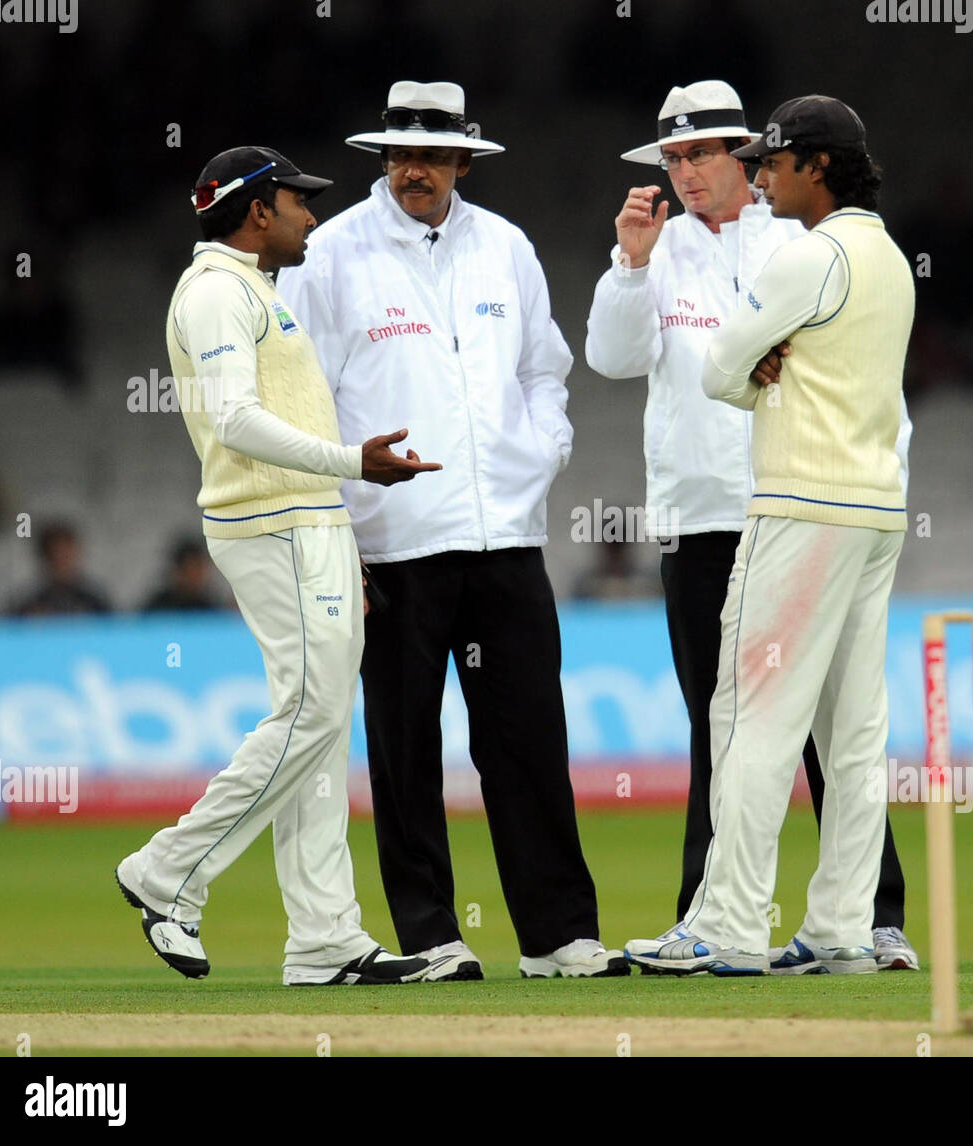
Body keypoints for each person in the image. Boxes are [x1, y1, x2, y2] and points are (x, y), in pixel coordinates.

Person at [279, 82, 625, 981]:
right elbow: (301, 399)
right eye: (398, 154)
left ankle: (558, 936)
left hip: (506, 539)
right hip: (391, 544)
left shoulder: (506, 247)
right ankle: (431, 933)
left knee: (528, 743)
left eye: (430, 155)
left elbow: (548, 369)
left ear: (464, 161)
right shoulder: (330, 255)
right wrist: (332, 531)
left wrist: (542, 449)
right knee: (404, 752)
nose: (413, 170)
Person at [586, 81, 917, 970]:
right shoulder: (873, 250)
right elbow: (612, 359)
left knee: (750, 720)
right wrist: (631, 266)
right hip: (777, 512)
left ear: (765, 160)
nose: (686, 171)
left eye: (709, 154)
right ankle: (842, 926)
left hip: (788, 504)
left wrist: (748, 368)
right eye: (672, 157)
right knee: (831, 725)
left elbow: (723, 368)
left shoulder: (798, 247)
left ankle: (731, 925)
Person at [116, 146, 441, 986]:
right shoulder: (219, 292)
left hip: (304, 524)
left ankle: (326, 940)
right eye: (300, 201)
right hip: (271, 523)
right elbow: (233, 421)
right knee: (309, 716)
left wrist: (337, 524)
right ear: (257, 210)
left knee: (320, 728)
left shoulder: (254, 289)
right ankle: (166, 875)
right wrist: (348, 465)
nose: (312, 216)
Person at [9, 521, 110, 616]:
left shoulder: (94, 602)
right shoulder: (29, 603)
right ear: (45, 557)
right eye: (56, 554)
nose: (62, 561)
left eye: (67, 555)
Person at [142, 536, 225, 612]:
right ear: (178, 570)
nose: (195, 576)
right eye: (191, 569)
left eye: (199, 569)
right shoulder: (158, 607)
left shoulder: (210, 607)